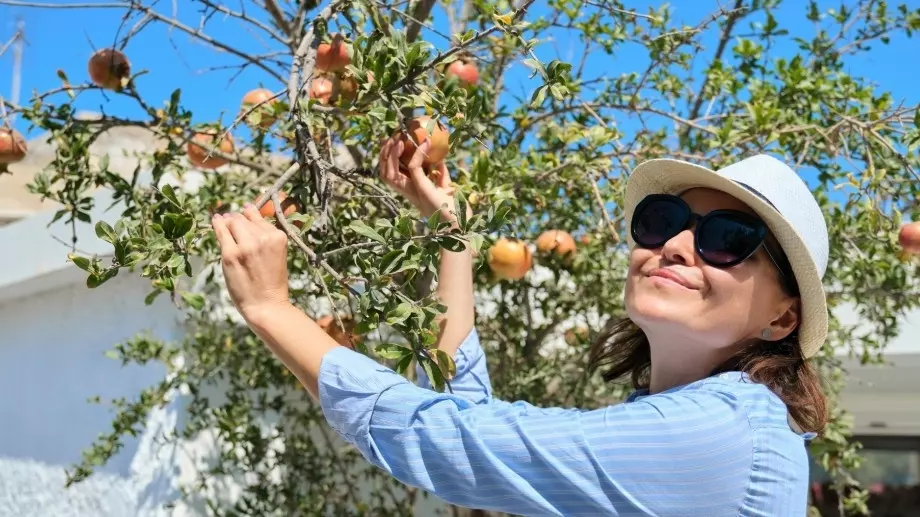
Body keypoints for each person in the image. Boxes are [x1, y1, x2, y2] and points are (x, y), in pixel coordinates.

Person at [211, 136, 830, 516]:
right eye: (662, 219)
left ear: (783, 316)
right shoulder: (699, 418)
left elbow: (445, 443)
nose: (675, 246)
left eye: (728, 240)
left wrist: (271, 308)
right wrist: (451, 238)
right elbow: (469, 423)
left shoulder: (717, 431)